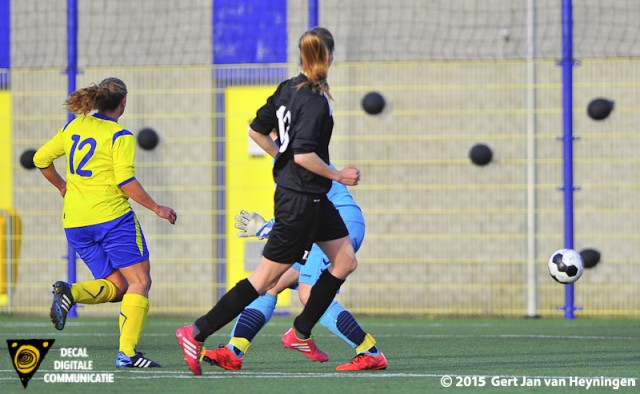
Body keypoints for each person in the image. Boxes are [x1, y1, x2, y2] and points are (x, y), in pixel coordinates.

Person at [176, 26, 361, 375]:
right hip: (301, 201)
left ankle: (301, 332)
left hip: (313, 199)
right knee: (264, 281)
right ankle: (196, 331)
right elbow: (305, 155)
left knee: (345, 261)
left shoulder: (286, 89)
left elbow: (255, 131)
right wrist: (339, 175)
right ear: (329, 57)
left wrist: (281, 157)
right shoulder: (314, 102)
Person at [33, 77, 177, 369]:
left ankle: (70, 292)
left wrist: (63, 187)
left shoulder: (74, 126)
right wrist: (156, 207)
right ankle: (127, 353)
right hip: (111, 220)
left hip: (75, 223)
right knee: (140, 281)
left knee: (119, 286)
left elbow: (40, 159)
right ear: (123, 102)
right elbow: (126, 181)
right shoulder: (119, 135)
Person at [201, 190, 387, 371]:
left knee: (310, 295)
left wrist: (268, 229)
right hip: (325, 224)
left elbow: (307, 207)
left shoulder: (294, 160)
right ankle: (234, 351)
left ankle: (370, 351)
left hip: (336, 224)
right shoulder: (287, 163)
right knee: (271, 283)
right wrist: (271, 225)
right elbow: (298, 208)